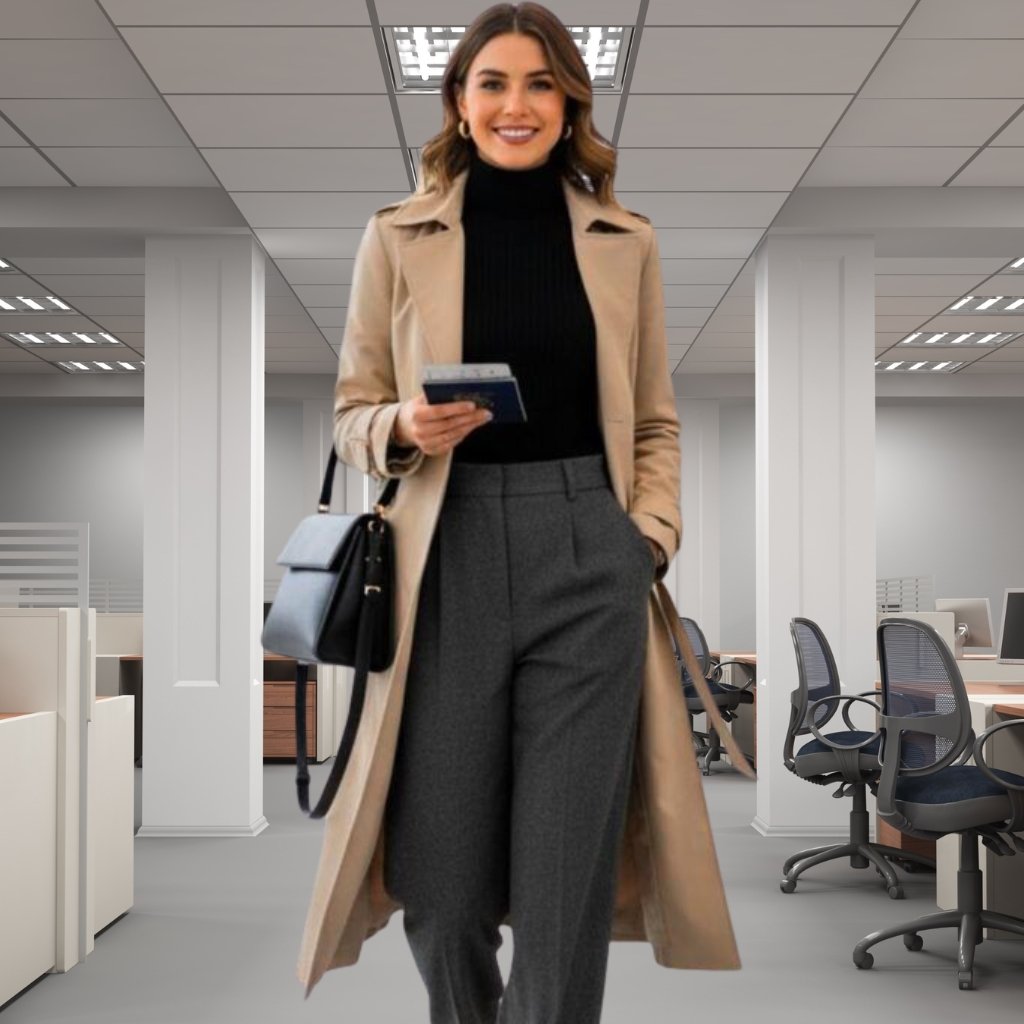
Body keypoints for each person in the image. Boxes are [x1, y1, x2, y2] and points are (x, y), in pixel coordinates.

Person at [297, 4, 741, 1021]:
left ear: (569, 103)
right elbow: (352, 414)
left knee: (562, 880)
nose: (516, 105)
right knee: (443, 885)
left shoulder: (626, 241)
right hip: (442, 557)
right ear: (459, 103)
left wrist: (647, 539)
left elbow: (654, 421)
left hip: (587, 552)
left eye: (540, 84)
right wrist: (404, 424)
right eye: (492, 83)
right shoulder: (396, 236)